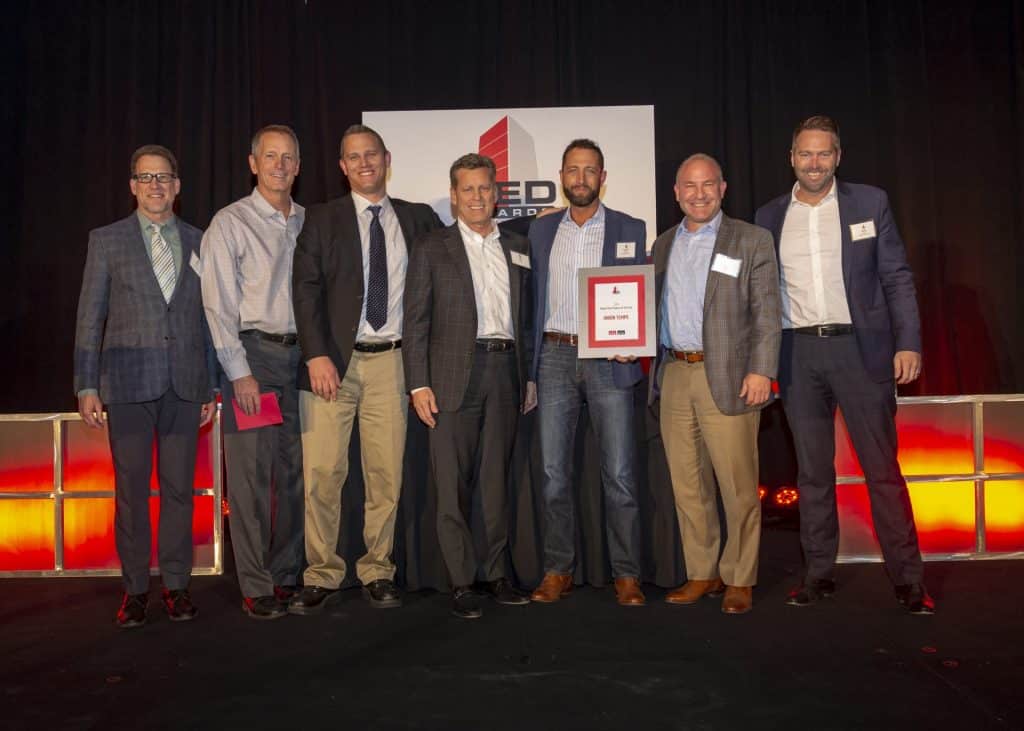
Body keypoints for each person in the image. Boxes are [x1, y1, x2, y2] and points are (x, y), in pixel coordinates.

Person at [755, 115, 934, 614]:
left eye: (824, 154)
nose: (815, 163)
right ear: (791, 158)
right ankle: (818, 575)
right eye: (805, 154)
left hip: (861, 351)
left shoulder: (869, 203)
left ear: (838, 157)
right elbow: (762, 296)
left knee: (882, 470)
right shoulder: (768, 216)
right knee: (812, 474)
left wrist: (908, 342)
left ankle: (909, 580)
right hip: (798, 355)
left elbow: (896, 275)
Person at [288, 125, 442, 614]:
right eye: (353, 157)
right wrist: (316, 354)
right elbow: (306, 288)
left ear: (386, 158)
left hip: (393, 365)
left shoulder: (418, 219)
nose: (363, 163)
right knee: (323, 473)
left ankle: (377, 569)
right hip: (333, 364)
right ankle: (322, 573)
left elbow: (460, 254)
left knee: (385, 475)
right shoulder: (322, 218)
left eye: (370, 154)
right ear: (342, 166)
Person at [74, 144, 215, 628]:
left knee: (180, 491)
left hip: (186, 383)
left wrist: (211, 386)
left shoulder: (201, 241)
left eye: (164, 177)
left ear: (177, 186)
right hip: (128, 382)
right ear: (133, 186)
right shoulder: (106, 241)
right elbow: (90, 317)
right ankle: (135, 590)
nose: (156, 186)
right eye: (146, 177)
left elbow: (208, 319)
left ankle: (176, 587)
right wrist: (85, 384)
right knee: (132, 492)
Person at [404, 153, 534, 619]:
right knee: (451, 484)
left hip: (506, 372)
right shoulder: (431, 247)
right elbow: (415, 321)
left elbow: (528, 319)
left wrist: (530, 375)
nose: (477, 197)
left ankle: (496, 573)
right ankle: (461, 581)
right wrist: (417, 383)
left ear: (496, 193)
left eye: (485, 188)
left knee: (497, 484)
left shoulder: (518, 246)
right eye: (467, 189)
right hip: (450, 378)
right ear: (454, 196)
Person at [650, 154, 780, 615]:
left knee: (738, 484)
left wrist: (762, 369)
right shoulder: (663, 244)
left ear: (723, 188)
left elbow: (768, 312)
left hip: (729, 376)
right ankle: (702, 572)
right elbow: (649, 311)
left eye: (708, 185)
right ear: (676, 192)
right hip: (674, 373)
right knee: (687, 485)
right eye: (690, 185)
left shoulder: (751, 239)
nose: (699, 193)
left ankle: (740, 576)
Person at [528, 139, 648, 607]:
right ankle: (559, 569)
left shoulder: (630, 228)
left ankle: (627, 574)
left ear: (603, 176)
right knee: (554, 472)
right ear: (561, 176)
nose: (581, 178)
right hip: (555, 357)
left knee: (619, 472)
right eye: (573, 170)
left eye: (590, 170)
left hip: (609, 361)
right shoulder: (540, 232)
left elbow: (641, 295)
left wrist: (632, 342)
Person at [201, 125, 306, 620]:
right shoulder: (231, 222)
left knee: (293, 474)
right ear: (252, 163)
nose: (279, 165)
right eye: (271, 156)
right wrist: (238, 372)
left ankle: (286, 574)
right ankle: (256, 583)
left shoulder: (309, 221)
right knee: (251, 477)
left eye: (288, 158)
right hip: (255, 363)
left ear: (299, 167)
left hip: (301, 363)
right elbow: (218, 305)